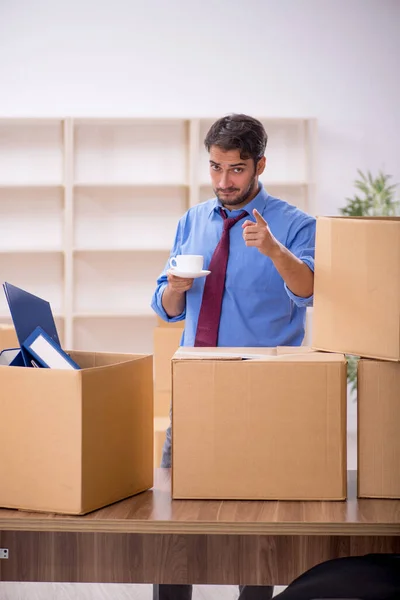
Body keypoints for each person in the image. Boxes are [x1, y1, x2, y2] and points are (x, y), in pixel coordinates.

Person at [151, 113, 316, 600]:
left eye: (237, 169)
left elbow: (309, 291)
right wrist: (176, 291)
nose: (224, 181)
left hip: (262, 388)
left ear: (260, 164)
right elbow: (165, 308)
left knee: (257, 518)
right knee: (174, 515)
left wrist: (273, 250)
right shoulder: (192, 220)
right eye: (216, 168)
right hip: (196, 383)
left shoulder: (294, 224)